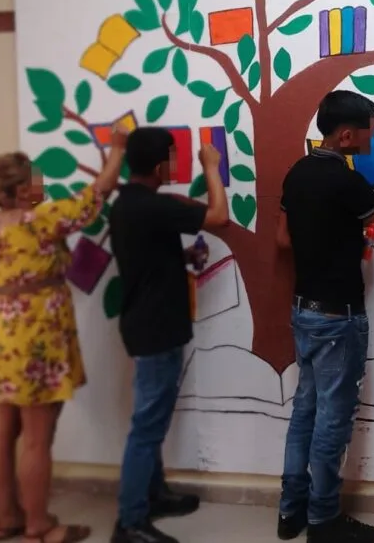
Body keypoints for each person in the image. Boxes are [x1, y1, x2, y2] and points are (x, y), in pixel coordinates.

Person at [276, 90, 374, 543]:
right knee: (331, 420)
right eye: (370, 127)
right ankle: (323, 521)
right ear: (347, 135)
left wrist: (332, 235)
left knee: (304, 411)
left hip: (303, 310)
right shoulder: (344, 182)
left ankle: (291, 513)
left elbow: (284, 240)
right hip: (337, 317)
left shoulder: (298, 172)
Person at [0, 126, 127, 543]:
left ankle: (8, 519)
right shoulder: (41, 218)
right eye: (37, 180)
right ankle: (39, 527)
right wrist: (117, 150)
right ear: (23, 189)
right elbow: (96, 196)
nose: (43, 185)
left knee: (1, 432)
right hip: (35, 337)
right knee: (38, 439)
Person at [108, 128, 229, 543]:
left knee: (151, 419)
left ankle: (151, 494)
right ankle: (129, 521)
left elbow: (144, 253)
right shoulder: (154, 205)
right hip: (156, 327)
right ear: (160, 165)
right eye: (173, 159)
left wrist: (182, 257)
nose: (177, 166)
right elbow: (218, 217)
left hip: (145, 322)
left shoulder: (127, 204)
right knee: (147, 425)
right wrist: (211, 168)